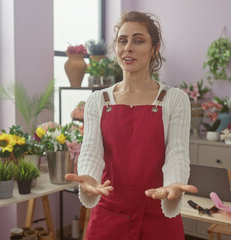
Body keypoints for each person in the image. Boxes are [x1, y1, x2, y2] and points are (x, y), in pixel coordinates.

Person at [65, 11, 198, 240]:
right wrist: (87, 177)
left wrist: (174, 185)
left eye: (138, 40)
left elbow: (176, 152)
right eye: (122, 40)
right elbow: (91, 151)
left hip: (158, 217)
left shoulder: (174, 99)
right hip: (109, 215)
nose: (128, 48)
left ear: (154, 48)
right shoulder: (98, 100)